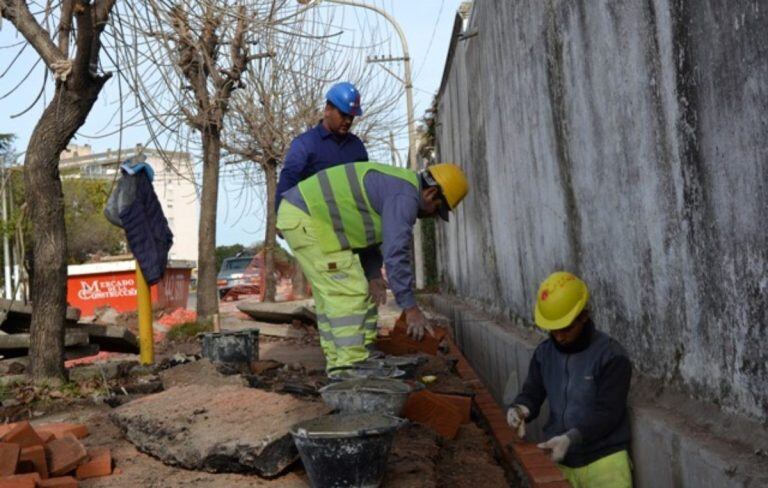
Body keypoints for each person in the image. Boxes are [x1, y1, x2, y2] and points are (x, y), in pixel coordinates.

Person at [276, 161, 468, 373]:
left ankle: (349, 360)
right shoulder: (405, 197)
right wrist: (411, 308)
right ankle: (351, 367)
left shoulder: (399, 186)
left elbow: (364, 231)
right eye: (437, 211)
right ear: (431, 193)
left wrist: (373, 274)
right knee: (348, 293)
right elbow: (396, 253)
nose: (432, 217)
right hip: (309, 219)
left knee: (340, 296)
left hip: (307, 218)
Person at [507, 271, 633, 487]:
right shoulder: (544, 355)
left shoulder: (611, 356)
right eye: (553, 330)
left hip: (605, 461)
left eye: (566, 328)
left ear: (583, 316)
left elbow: (608, 412)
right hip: (561, 459)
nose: (560, 337)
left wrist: (570, 438)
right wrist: (521, 408)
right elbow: (533, 392)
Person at [275, 81, 368, 212]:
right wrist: (281, 216)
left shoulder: (357, 147)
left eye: (351, 116)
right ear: (327, 110)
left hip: (349, 225)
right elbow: (288, 181)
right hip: (315, 224)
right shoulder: (305, 144)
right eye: (343, 114)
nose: (348, 121)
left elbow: (365, 188)